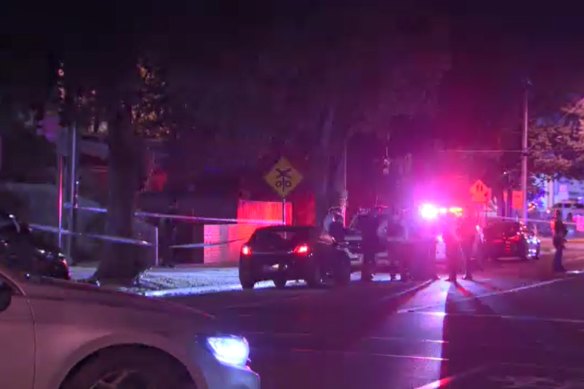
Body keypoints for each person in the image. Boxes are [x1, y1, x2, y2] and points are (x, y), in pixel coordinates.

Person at [360, 208, 380, 282]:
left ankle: (365, 275)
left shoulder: (364, 220)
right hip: (371, 242)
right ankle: (369, 274)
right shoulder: (374, 221)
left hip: (365, 242)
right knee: (371, 259)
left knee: (366, 260)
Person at [442, 215, 462, 283]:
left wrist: (456, 240)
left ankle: (452, 277)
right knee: (451, 260)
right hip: (451, 244)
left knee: (451, 260)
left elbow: (453, 234)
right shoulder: (453, 225)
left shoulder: (451, 225)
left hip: (451, 244)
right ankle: (452, 276)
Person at [459, 215, 477, 280]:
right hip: (469, 244)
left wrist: (461, 240)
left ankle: (467, 274)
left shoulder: (463, 225)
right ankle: (469, 274)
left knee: (466, 259)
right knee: (468, 259)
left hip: (465, 243)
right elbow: (474, 235)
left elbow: (459, 232)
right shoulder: (472, 225)